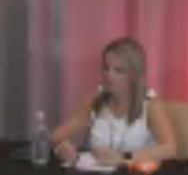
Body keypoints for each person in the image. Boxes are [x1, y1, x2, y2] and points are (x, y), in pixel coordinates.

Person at [51, 38, 178, 167]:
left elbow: (170, 149)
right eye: (106, 68)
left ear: (134, 75)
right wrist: (61, 148)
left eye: (118, 70)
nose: (108, 75)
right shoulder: (95, 100)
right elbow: (57, 136)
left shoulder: (150, 104)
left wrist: (123, 157)